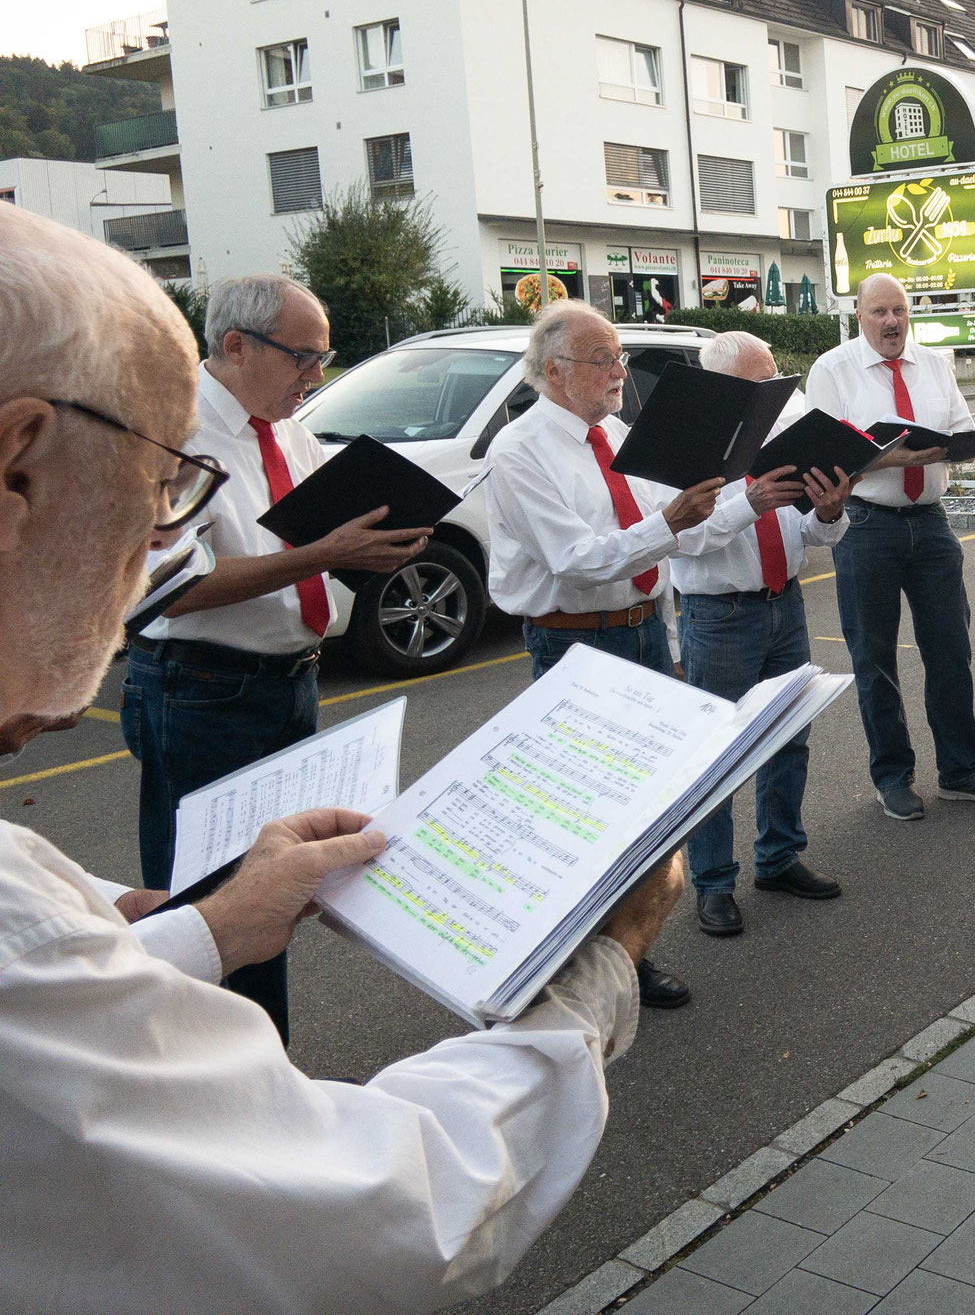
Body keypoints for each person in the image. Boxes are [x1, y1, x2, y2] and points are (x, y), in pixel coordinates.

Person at [0, 206, 688, 1311]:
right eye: (151, 500)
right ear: (16, 467)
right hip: (215, 691)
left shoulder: (31, 923)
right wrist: (598, 963)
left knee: (244, 916)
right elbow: (389, 1223)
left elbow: (72, 975)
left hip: (287, 681)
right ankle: (246, 1101)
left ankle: (250, 1085)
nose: (138, 561)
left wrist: (185, 921)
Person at [121, 274, 433, 1042]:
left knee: (281, 894)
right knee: (215, 905)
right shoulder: (175, 432)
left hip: (288, 681)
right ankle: (215, 1084)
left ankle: (263, 1071)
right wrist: (323, 553)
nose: (315, 377)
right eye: (303, 357)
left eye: (324, 358)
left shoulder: (289, 428)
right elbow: (165, 589)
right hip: (203, 692)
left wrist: (368, 548)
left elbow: (308, 543)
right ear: (235, 345)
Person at [485, 299, 729, 1009]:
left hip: (644, 625)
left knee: (646, 806)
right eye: (605, 358)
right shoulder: (520, 450)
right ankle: (571, 961)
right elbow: (575, 558)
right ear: (555, 371)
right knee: (583, 813)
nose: (620, 370)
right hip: (576, 639)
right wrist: (669, 519)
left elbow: (686, 537)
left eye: (619, 356)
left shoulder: (618, 435)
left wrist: (753, 501)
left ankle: (627, 954)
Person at [805, 273, 975, 821]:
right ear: (859, 315)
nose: (892, 322)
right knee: (874, 656)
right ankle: (893, 776)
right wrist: (895, 458)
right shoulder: (832, 370)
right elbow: (823, 457)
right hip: (865, 524)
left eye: (899, 310)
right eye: (879, 312)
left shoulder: (935, 364)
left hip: (933, 523)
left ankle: (960, 771)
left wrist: (962, 447)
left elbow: (962, 431)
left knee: (950, 647)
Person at [671, 332, 854, 937]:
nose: (774, 393)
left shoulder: (788, 428)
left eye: (777, 377)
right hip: (718, 615)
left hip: (785, 602)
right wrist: (748, 503)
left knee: (789, 738)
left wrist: (830, 511)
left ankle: (778, 857)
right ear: (722, 388)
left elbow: (815, 536)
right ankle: (714, 883)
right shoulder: (691, 441)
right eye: (758, 383)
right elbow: (683, 540)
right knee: (716, 756)